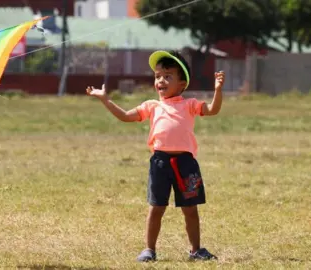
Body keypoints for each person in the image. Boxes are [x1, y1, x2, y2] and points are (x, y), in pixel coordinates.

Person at [86, 50, 224, 262]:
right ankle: (149, 250)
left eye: (168, 76)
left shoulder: (190, 104)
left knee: (190, 209)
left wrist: (218, 90)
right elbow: (125, 116)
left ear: (182, 83)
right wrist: (105, 100)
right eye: (158, 76)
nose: (161, 80)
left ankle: (196, 250)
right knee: (156, 208)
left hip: (186, 164)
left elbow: (213, 110)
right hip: (160, 163)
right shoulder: (152, 106)